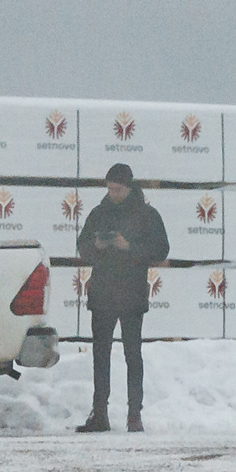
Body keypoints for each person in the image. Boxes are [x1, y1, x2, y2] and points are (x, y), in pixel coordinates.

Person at [74, 162, 167, 434]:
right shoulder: (99, 213)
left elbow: (161, 249)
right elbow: (82, 247)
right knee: (100, 356)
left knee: (132, 354)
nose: (112, 193)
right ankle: (99, 414)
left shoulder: (147, 215)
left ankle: (134, 414)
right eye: (109, 189)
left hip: (131, 293)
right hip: (102, 292)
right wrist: (96, 246)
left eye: (117, 189)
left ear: (129, 187)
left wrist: (129, 247)